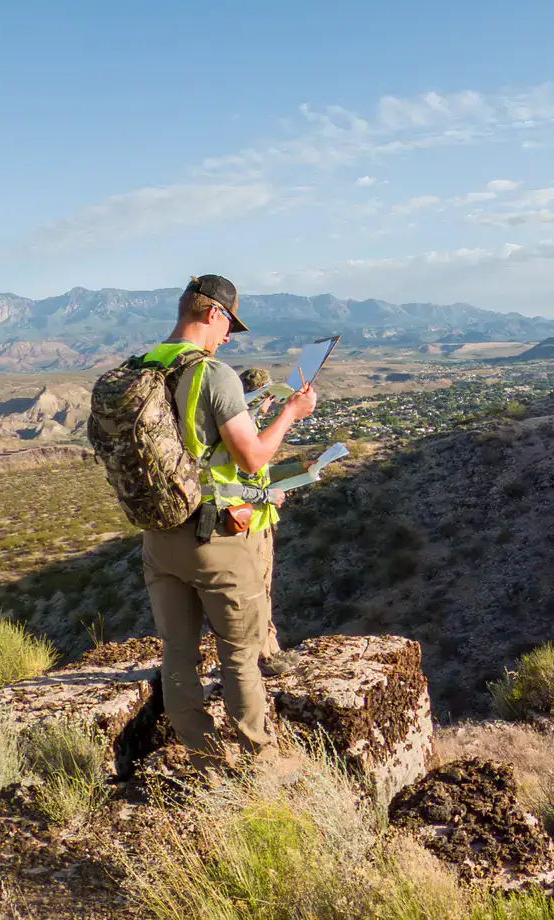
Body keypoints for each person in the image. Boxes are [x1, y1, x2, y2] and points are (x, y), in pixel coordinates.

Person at [138, 275, 317, 775]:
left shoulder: (143, 367)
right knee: (239, 654)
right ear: (213, 313)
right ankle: (262, 763)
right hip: (213, 536)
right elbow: (254, 455)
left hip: (158, 534)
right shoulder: (212, 375)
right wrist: (290, 413)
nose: (228, 338)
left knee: (178, 651)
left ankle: (203, 761)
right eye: (229, 327)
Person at [235, 365, 296, 676]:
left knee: (263, 591)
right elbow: (237, 482)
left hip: (259, 522)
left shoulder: (248, 426)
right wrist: (266, 497)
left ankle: (271, 649)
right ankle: (264, 658)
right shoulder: (239, 433)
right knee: (256, 593)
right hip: (248, 525)